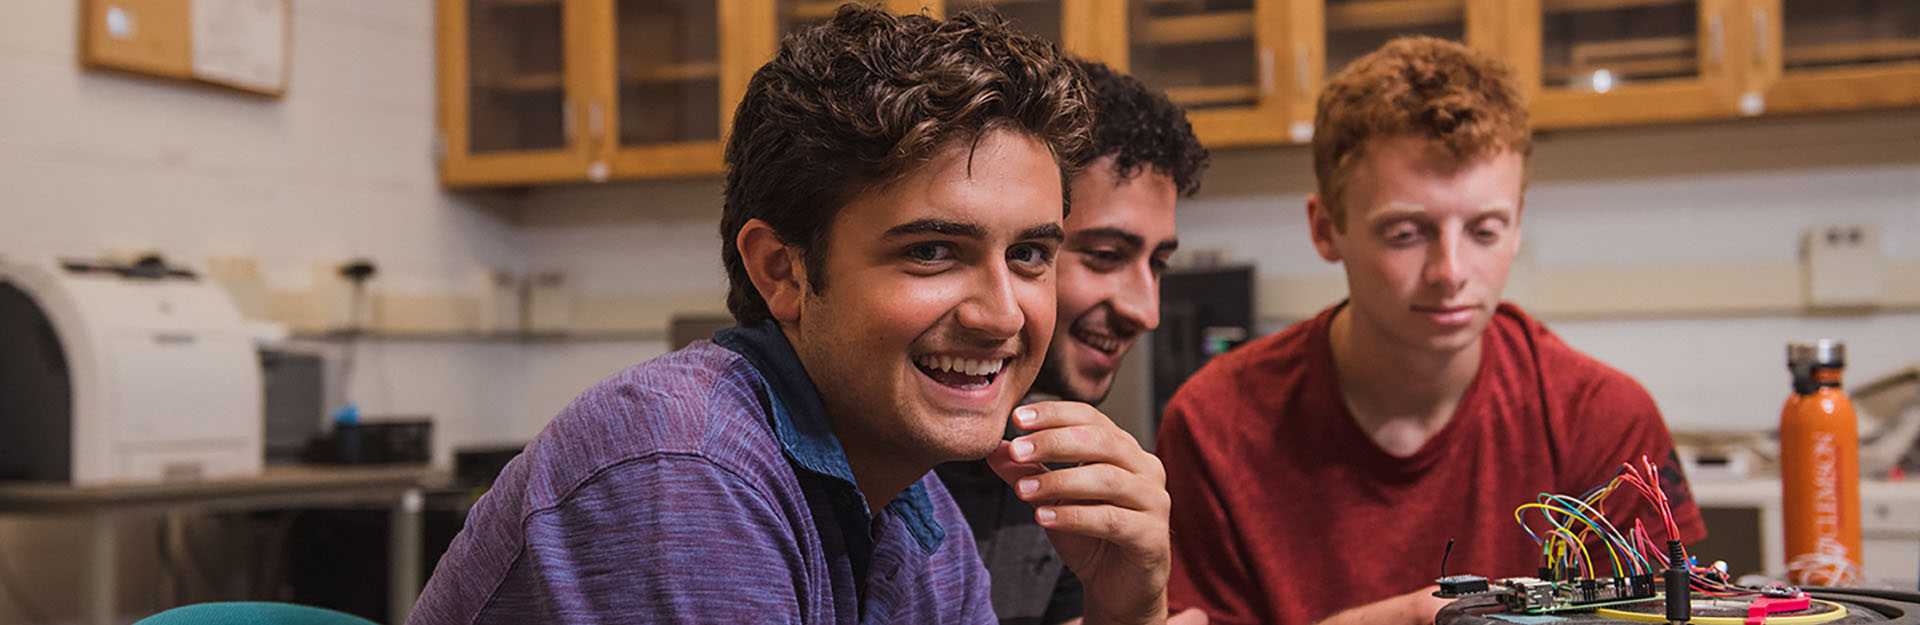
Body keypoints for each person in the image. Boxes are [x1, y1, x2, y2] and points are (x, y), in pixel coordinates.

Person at [410, 7, 1173, 625]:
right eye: (934, 251)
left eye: (1031, 255)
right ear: (783, 269)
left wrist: (1123, 612)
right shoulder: (686, 473)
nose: (1002, 314)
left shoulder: (915, 512)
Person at [1155, 36, 1707, 625]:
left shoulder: (1602, 421)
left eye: (1485, 231)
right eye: (1406, 233)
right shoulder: (1215, 425)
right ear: (1325, 228)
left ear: (1518, 226)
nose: (1451, 273)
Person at [934, 59, 1208, 625]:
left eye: (1158, 263)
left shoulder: (1056, 463)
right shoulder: (887, 455)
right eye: (1105, 256)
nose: (1146, 311)